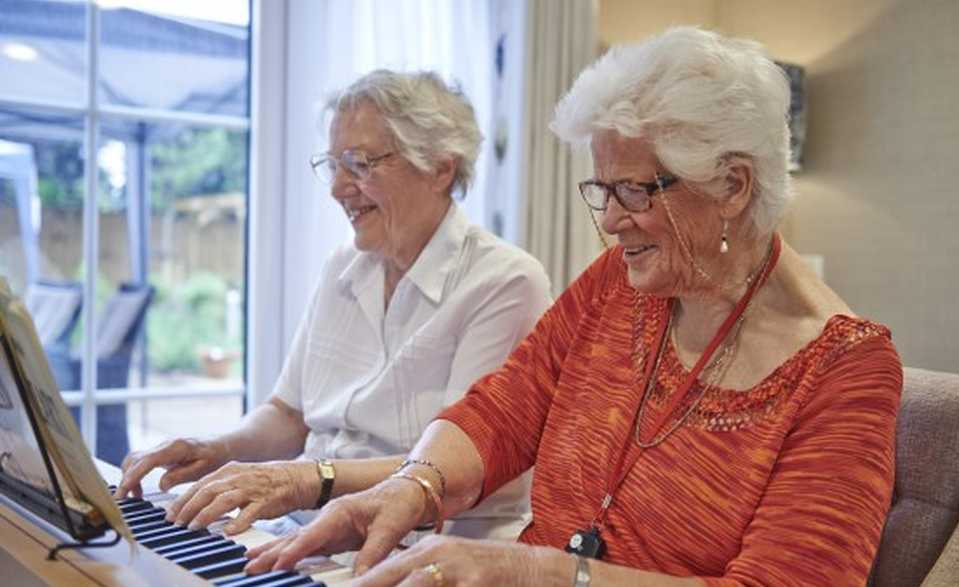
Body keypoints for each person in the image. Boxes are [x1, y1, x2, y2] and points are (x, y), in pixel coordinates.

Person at [242, 27, 903, 586]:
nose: (611, 222)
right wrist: (414, 483)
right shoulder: (620, 284)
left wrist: (548, 571)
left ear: (732, 185)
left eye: (635, 192)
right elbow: (500, 410)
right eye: (602, 189)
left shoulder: (846, 371)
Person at [116, 70, 552, 541]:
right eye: (333, 165)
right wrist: (214, 448)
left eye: (359, 164)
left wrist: (302, 480)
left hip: (420, 549)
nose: (337, 188)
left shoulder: (504, 282)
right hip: (307, 529)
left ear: (440, 168)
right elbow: (289, 414)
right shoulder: (344, 266)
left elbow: (457, 468)